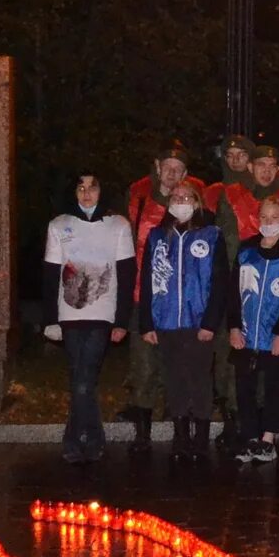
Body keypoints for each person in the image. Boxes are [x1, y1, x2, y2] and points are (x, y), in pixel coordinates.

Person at [41, 171, 136, 465]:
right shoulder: (59, 225)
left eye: (92, 188)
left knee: (84, 379)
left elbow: (126, 274)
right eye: (80, 188)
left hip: (102, 315)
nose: (86, 194)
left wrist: (122, 320)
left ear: (102, 191)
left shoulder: (118, 225)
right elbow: (50, 276)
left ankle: (78, 439)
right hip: (69, 315)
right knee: (80, 378)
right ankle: (89, 439)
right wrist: (50, 319)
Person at [137, 181, 227, 465]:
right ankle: (180, 435)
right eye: (175, 196)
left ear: (197, 202)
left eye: (187, 196)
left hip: (198, 321)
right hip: (165, 322)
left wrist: (210, 322)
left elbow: (220, 283)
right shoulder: (157, 237)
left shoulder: (211, 235)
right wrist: (147, 323)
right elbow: (148, 281)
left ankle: (200, 437)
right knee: (174, 379)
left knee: (200, 380)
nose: (181, 200)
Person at [120, 144, 196, 451]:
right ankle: (142, 428)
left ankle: (177, 418)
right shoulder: (138, 200)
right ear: (157, 165)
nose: (172, 173)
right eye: (168, 166)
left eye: (179, 168)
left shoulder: (191, 204)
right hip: (144, 294)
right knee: (144, 363)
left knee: (178, 362)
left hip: (180, 300)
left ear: (186, 174)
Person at [228, 196, 279, 464]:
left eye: (275, 217)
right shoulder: (246, 250)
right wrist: (234, 327)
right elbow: (233, 293)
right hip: (247, 334)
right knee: (245, 386)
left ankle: (268, 439)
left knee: (274, 386)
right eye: (264, 217)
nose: (269, 222)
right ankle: (249, 436)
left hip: (276, 334)